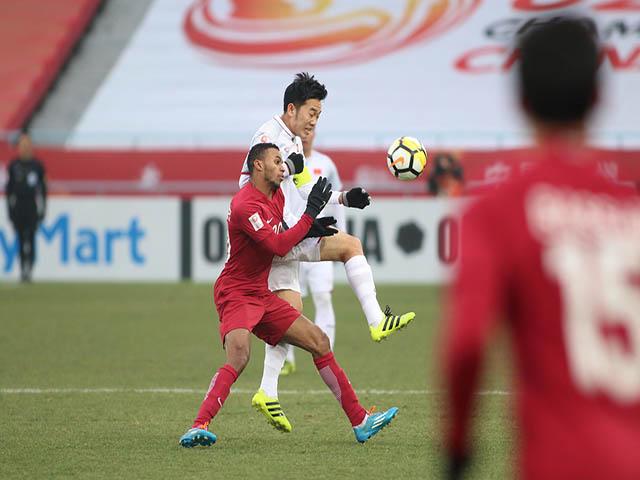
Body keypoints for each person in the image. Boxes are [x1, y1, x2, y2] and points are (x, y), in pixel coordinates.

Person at [442, 17, 640, 480]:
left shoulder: (498, 211)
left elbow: (467, 341)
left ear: (521, 100)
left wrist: (457, 446)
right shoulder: (632, 213)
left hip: (559, 463)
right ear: (598, 97)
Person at [179, 143, 399, 447]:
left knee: (319, 342)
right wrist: (310, 215)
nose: (283, 166)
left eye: (283, 161)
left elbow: (283, 232)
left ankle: (360, 420)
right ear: (258, 166)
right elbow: (278, 246)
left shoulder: (277, 194)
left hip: (260, 290)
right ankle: (198, 425)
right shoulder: (245, 205)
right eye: (276, 161)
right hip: (236, 291)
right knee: (240, 355)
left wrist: (310, 226)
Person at [243, 73, 415, 433]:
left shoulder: (291, 141)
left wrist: (341, 198)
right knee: (350, 246)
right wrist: (305, 216)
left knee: (290, 312)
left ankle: (267, 390)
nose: (314, 121)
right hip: (271, 236)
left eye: (319, 115)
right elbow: (264, 182)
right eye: (311, 112)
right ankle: (375, 321)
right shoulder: (268, 138)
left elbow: (305, 192)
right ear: (291, 108)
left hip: (287, 232)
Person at [280, 129, 346, 375]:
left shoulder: (326, 163)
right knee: (289, 304)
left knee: (323, 297)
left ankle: (326, 353)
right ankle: (287, 358)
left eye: (311, 130)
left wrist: (341, 236)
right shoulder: (286, 163)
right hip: (293, 240)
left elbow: (337, 201)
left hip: (321, 239)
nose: (306, 136)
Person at [5, 132, 47, 282]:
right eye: (22, 145)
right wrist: (9, 210)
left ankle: (30, 266)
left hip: (32, 206)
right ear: (19, 147)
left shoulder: (37, 166)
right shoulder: (13, 166)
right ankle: (23, 268)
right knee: (21, 240)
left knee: (32, 238)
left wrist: (43, 209)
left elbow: (43, 189)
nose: (25, 148)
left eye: (27, 145)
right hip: (18, 206)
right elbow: (9, 191)